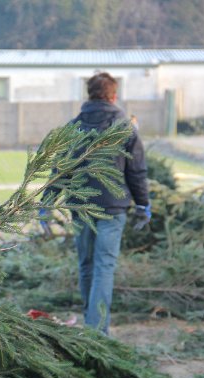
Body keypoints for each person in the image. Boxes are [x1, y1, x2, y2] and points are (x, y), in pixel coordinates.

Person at [66, 71, 150, 334]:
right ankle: (97, 331)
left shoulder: (74, 126)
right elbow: (136, 171)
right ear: (114, 96)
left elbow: (62, 169)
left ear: (88, 95)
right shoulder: (125, 127)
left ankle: (91, 324)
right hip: (113, 209)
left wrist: (48, 202)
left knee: (86, 265)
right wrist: (143, 203)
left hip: (81, 206)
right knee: (104, 267)